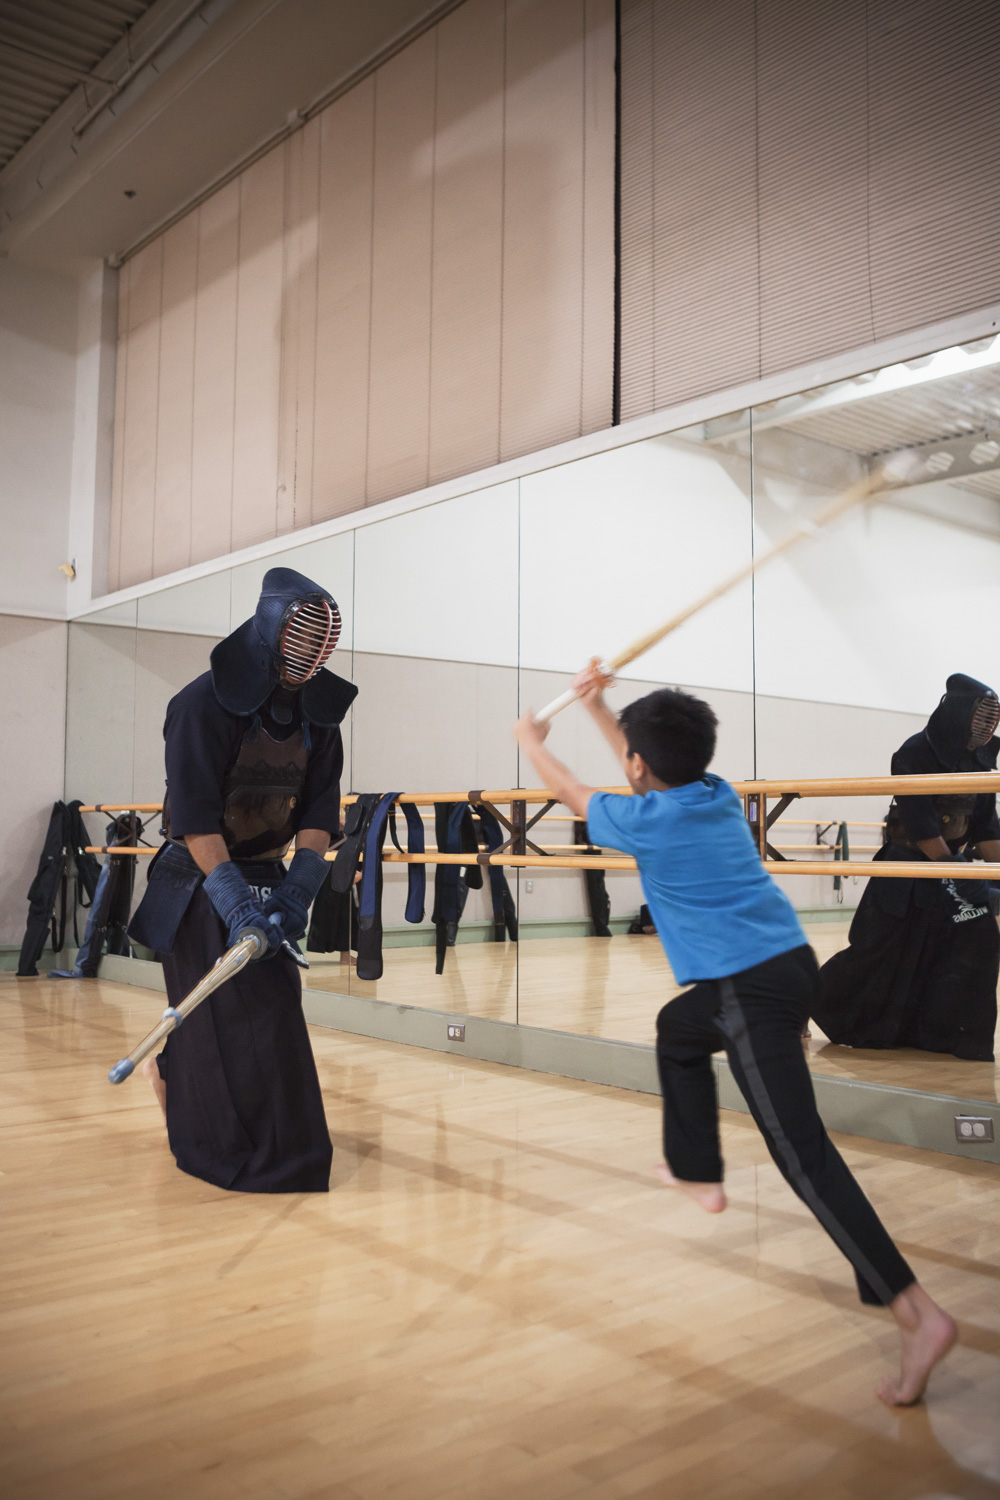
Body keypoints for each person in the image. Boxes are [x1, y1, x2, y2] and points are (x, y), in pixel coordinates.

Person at [513, 668, 956, 1406]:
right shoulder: (713, 794)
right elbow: (643, 762)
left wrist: (531, 742)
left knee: (803, 1156)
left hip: (748, 991)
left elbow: (572, 791)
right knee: (677, 1029)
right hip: (786, 967)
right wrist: (596, 704)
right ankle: (700, 1172)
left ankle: (918, 1313)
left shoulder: (645, 819)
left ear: (638, 766)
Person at [128, 567, 357, 1193]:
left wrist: (297, 890)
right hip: (198, 880)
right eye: (300, 636)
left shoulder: (318, 715)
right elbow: (195, 817)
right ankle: (217, 1142)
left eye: (321, 642)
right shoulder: (199, 705)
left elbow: (319, 810)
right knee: (226, 1020)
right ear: (270, 629)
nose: (309, 653)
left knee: (271, 1010)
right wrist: (232, 902)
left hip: (268, 873)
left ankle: (278, 1147)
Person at [814, 674, 999, 1061]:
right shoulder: (915, 752)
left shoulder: (981, 759)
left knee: (975, 943)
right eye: (980, 718)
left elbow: (985, 825)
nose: (986, 728)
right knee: (876, 954)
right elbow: (920, 823)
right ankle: (803, 1001)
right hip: (908, 870)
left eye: (992, 720)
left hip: (953, 869)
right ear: (958, 714)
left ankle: (952, 1037)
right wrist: (954, 871)